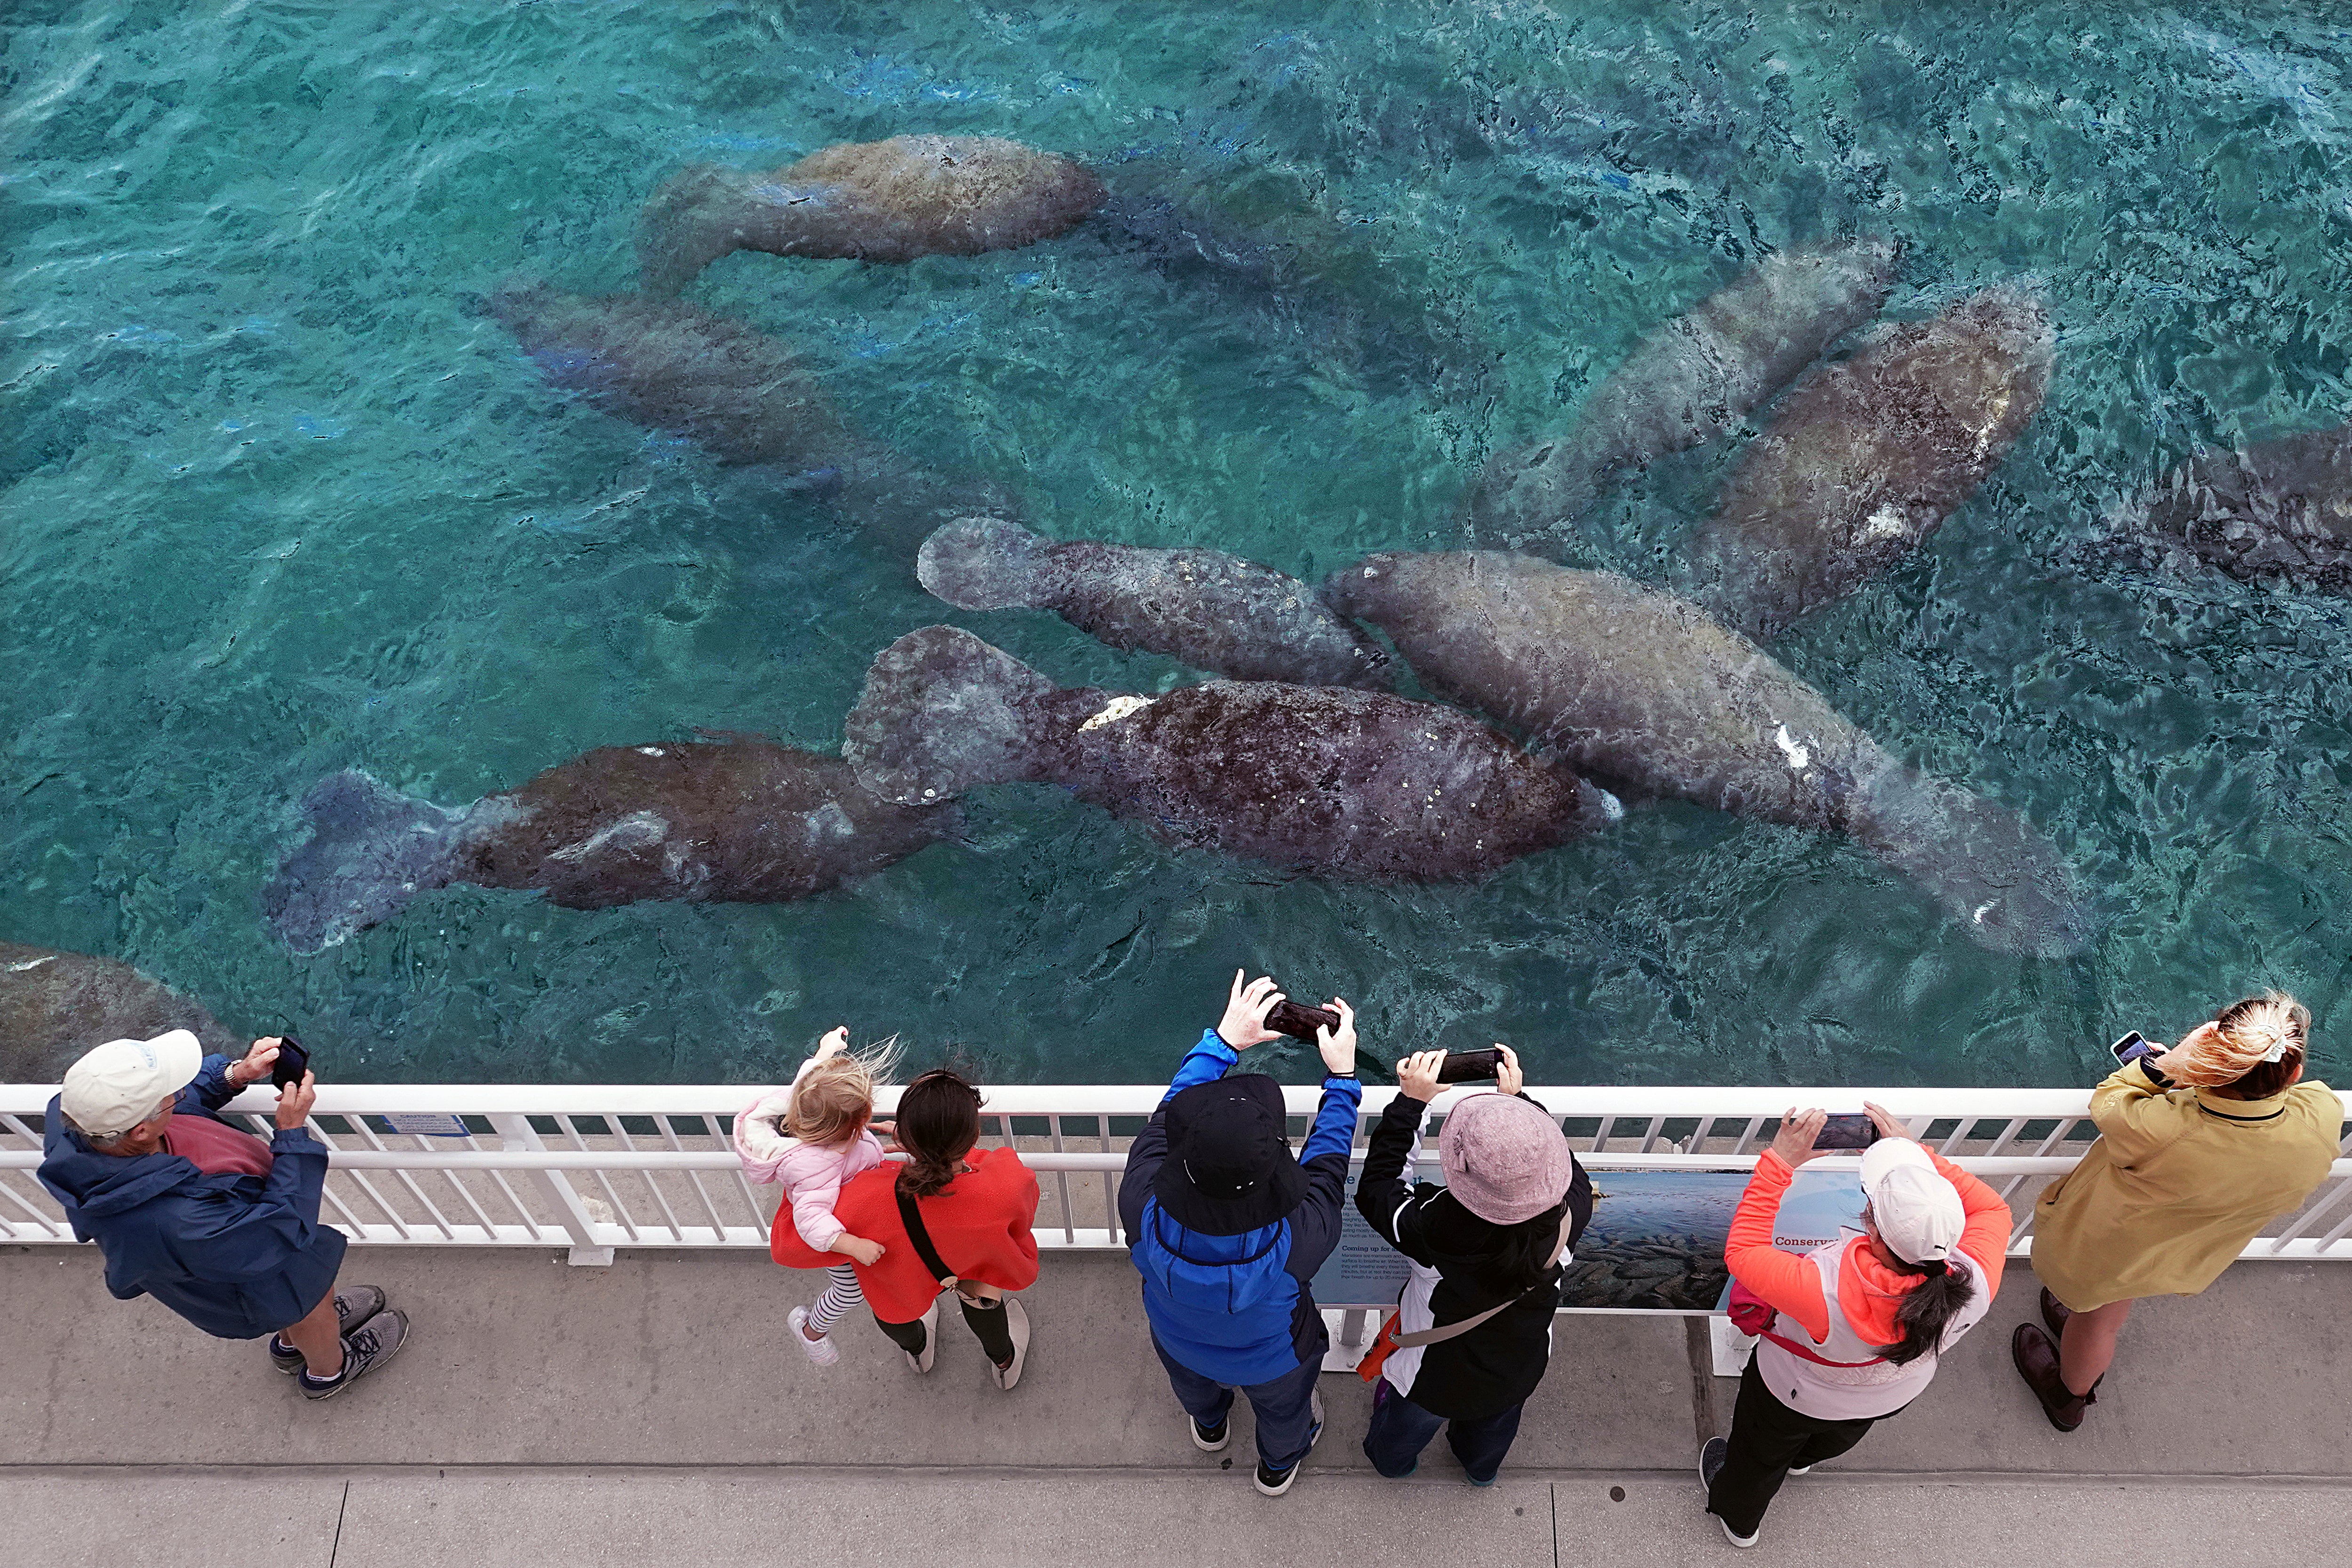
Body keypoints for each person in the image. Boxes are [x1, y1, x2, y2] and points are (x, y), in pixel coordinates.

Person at [2014, 992, 2340, 1430]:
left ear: (2209, 1051)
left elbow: (2111, 1098)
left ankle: (2067, 1395)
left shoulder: (2160, 1129)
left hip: (2115, 1247)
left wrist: (2171, 1067)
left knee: (2097, 1320)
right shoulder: (2320, 1121)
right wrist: (2212, 1078)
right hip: (2187, 1253)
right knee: (2110, 1300)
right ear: (2294, 1073)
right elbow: (2277, 1111)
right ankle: (2076, 1320)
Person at [37, 1030, 407, 1400]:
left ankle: (292, 1345)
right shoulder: (178, 1221)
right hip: (250, 1270)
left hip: (229, 1252)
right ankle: (329, 1371)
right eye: (171, 1090)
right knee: (306, 1299)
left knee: (298, 1309)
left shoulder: (77, 1120)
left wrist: (235, 1075)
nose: (179, 1091)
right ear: (141, 1131)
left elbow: (176, 1103)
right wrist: (291, 1133)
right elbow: (281, 1230)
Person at [1702, 1105, 2006, 1549]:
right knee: (1835, 1435)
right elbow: (1993, 1208)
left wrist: (1780, 1161)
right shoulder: (1975, 1280)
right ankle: (1804, 1460)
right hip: (1889, 1394)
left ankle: (1739, 1521)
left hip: (1793, 1394)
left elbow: (1743, 1254)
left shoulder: (1823, 1292)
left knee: (1756, 1455)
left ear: (1875, 1231)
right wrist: (1915, 1158)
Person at [1119, 971, 1362, 1497]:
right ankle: (1276, 1468)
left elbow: (1165, 1116)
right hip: (1272, 1359)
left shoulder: (1140, 1202)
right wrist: (1341, 1080)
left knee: (1194, 1386)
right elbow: (1327, 1165)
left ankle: (1210, 1427)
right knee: (1284, 1411)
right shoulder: (1300, 1237)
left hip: (1176, 1337)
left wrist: (1224, 1041)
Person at [1353, 1045, 1590, 1488]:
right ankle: (1480, 1471)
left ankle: (1394, 1465)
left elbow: (1379, 1187)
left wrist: (1411, 1103)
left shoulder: (1433, 1231)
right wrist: (1519, 1107)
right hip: (1518, 1367)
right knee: (1494, 1430)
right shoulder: (1570, 1216)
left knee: (1403, 1433)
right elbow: (1561, 1165)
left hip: (1434, 1377)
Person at [829, 1064, 1038, 1387]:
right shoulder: (1004, 1188)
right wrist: (944, 1151)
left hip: (906, 1275)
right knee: (980, 1294)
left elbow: (790, 1247)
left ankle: (917, 1350)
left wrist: (804, 1182)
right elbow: (1006, 1168)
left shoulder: (860, 1196)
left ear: (905, 1136)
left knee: (894, 1307)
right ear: (974, 1135)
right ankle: (1004, 1362)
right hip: (965, 1261)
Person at [744, 1027, 901, 1366]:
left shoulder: (809, 1106)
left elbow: (809, 1080)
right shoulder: (818, 1165)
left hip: (851, 1209)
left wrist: (826, 1051)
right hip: (840, 1235)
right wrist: (853, 1246)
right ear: (858, 1124)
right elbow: (812, 1221)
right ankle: (812, 1330)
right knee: (851, 1292)